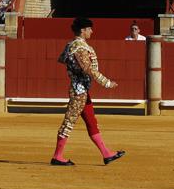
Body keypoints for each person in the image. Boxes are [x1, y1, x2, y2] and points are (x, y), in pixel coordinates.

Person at [51, 17, 125, 166]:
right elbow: (87, 68)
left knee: (91, 122)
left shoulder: (72, 45)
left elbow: (63, 60)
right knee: (69, 122)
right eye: (89, 29)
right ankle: (57, 156)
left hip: (82, 90)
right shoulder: (79, 47)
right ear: (83, 30)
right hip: (79, 91)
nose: (92, 31)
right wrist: (106, 82)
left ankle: (106, 153)